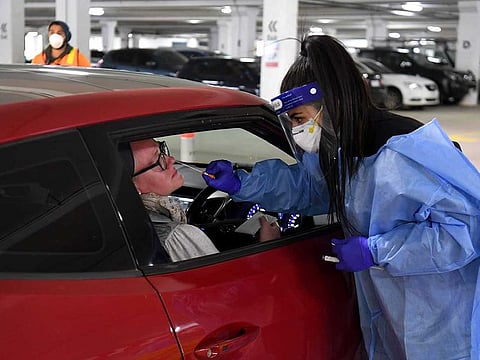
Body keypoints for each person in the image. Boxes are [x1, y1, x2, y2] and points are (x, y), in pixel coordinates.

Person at [204, 35, 480, 360]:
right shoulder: (343, 149)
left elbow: (465, 230)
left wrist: (376, 250)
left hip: (440, 310)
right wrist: (243, 183)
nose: (295, 129)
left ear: (331, 104)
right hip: (392, 303)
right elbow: (313, 189)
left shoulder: (404, 151)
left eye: (299, 118)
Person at [124, 139, 279, 262]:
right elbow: (229, 293)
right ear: (132, 185)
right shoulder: (176, 236)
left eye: (162, 150)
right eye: (157, 161)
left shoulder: (127, 220)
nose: (171, 159)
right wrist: (268, 249)